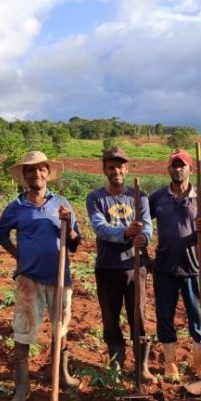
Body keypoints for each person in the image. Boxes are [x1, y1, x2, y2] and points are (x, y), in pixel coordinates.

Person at [0, 151, 81, 401]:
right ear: (24, 175)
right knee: (23, 330)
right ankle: (22, 386)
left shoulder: (62, 204)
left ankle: (61, 374)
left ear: (48, 173)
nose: (36, 174)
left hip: (59, 277)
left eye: (41, 169)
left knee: (61, 326)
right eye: (30, 170)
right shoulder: (16, 207)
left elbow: (75, 243)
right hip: (29, 279)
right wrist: (18, 255)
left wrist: (69, 224)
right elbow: (1, 233)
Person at [86, 146, 156, 383]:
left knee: (139, 315)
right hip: (107, 266)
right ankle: (116, 365)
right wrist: (126, 232)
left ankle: (142, 366)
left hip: (136, 267)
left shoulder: (140, 197)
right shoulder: (96, 198)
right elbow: (100, 228)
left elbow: (147, 224)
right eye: (111, 166)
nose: (115, 170)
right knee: (110, 317)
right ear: (104, 169)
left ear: (126, 169)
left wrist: (143, 237)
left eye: (119, 166)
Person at [149, 149, 201, 381]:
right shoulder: (157, 197)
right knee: (164, 316)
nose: (178, 169)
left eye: (182, 165)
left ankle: (198, 364)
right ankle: (170, 365)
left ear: (190, 169)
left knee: (197, 316)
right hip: (164, 268)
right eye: (174, 165)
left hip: (193, 268)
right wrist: (146, 256)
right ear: (168, 169)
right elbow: (144, 225)